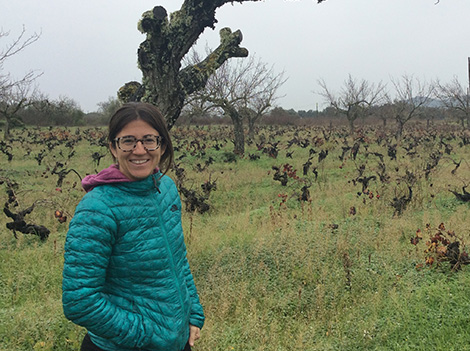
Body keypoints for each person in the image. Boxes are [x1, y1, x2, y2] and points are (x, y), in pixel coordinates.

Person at [62, 102, 204, 351]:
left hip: (176, 341)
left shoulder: (166, 188)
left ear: (161, 145)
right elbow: (80, 300)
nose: (139, 150)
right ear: (113, 148)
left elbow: (178, 261)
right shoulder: (97, 208)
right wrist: (147, 336)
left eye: (149, 140)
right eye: (128, 141)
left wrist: (193, 314)